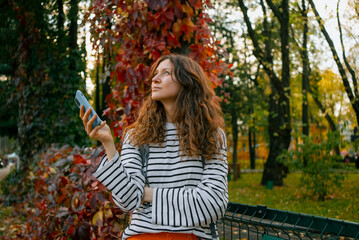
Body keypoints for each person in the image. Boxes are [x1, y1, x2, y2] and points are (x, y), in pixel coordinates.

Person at [80, 54, 228, 240]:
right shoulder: (137, 136)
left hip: (191, 236)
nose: (155, 79)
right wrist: (108, 144)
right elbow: (128, 199)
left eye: (166, 73)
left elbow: (212, 204)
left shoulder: (212, 136)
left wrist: (148, 194)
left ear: (187, 82)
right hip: (142, 236)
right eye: (155, 74)